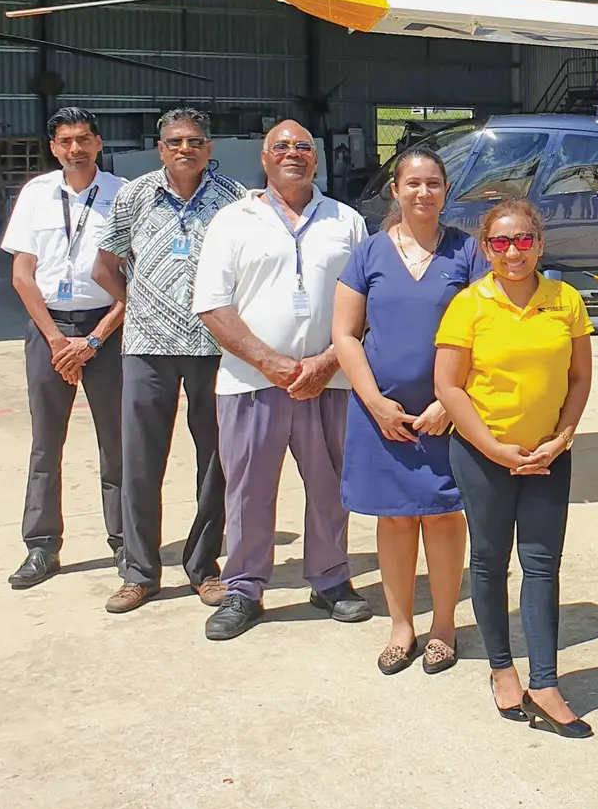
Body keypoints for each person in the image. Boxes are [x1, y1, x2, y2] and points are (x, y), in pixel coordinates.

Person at [193, 120, 370, 640]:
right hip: (251, 382)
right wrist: (271, 362)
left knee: (330, 486)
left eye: (303, 147)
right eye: (282, 147)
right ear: (264, 159)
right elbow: (213, 305)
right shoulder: (232, 220)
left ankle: (330, 578)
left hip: (330, 381)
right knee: (248, 490)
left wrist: (326, 362)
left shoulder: (348, 221)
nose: (293, 154)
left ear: (316, 160)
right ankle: (244, 588)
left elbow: (366, 303)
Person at [433, 198, 594, 737]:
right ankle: (502, 669)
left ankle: (545, 682)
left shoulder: (565, 300)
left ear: (540, 244)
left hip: (550, 455)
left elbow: (578, 379)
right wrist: (494, 448)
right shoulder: (469, 304)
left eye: (523, 240)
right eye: (500, 243)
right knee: (489, 561)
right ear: (486, 249)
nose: (513, 252)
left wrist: (562, 437)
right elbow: (448, 387)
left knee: (543, 565)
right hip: (484, 456)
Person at [334, 148, 489, 674]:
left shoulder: (468, 253)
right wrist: (374, 402)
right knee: (395, 519)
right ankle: (402, 626)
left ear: (446, 192)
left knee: (445, 517)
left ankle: (443, 628)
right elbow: (345, 334)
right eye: (413, 184)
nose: (423, 193)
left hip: (450, 413)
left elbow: (486, 335)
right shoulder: (368, 253)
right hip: (383, 416)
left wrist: (452, 403)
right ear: (395, 191)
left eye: (434, 184)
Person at [94, 108, 248, 613]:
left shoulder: (234, 200)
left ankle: (204, 568)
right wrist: (137, 300)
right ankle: (139, 571)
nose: (186, 148)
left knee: (216, 460)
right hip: (146, 345)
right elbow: (105, 265)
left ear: (209, 147)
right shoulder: (134, 195)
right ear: (160, 148)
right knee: (140, 459)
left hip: (213, 347)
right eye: (175, 141)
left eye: (196, 141)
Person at [0, 107, 127, 589]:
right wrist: (57, 341)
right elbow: (22, 274)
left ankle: (124, 542)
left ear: (98, 142)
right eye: (65, 141)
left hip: (107, 331)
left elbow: (133, 281)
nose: (75, 148)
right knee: (45, 442)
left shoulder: (122, 195)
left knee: (117, 441)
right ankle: (41, 545)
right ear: (53, 148)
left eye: (83, 139)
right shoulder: (35, 194)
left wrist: (93, 340)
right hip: (48, 328)